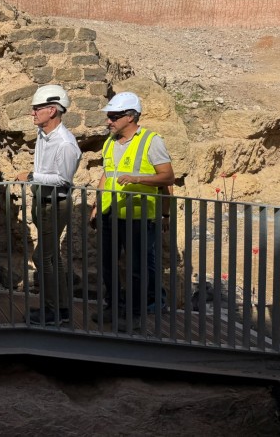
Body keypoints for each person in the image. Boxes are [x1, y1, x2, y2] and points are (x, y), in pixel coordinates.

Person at [90, 92, 174, 331]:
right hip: (110, 214)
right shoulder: (110, 142)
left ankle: (134, 313)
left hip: (139, 218)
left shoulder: (151, 141)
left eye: (114, 116)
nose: (109, 121)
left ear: (130, 117)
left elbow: (168, 177)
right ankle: (113, 306)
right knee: (108, 264)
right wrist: (97, 206)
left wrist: (138, 179)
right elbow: (107, 175)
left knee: (136, 268)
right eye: (109, 116)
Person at [15, 85, 82, 326]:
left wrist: (31, 178)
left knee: (43, 258)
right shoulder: (44, 136)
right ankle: (61, 309)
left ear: (52, 110)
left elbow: (63, 180)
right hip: (43, 201)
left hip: (55, 203)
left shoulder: (64, 143)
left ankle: (52, 311)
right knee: (53, 257)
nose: (33, 113)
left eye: (37, 109)